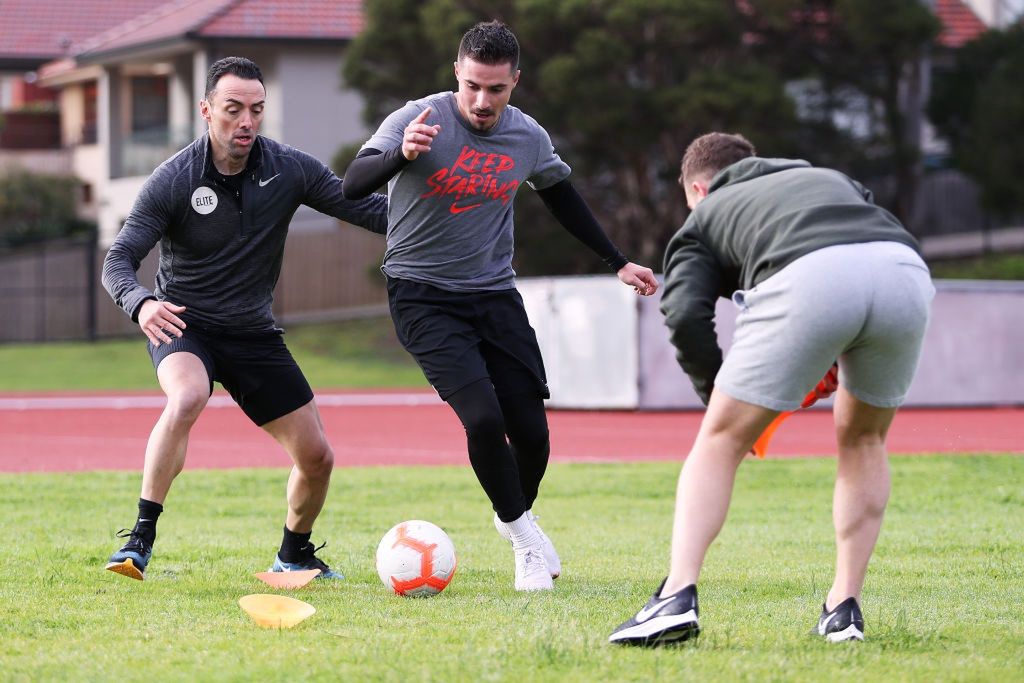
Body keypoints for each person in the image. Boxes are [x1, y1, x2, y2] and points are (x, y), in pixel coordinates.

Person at [342, 20, 659, 591]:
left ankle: (513, 515)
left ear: (515, 81)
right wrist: (401, 155)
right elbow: (353, 183)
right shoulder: (418, 119)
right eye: (472, 86)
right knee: (483, 418)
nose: (482, 101)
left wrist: (617, 261)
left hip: (493, 295)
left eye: (496, 89)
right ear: (456, 76)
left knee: (534, 435)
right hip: (421, 294)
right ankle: (524, 540)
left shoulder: (527, 137)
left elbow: (562, 197)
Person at [609, 133, 935, 645]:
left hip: (811, 275)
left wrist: (716, 394)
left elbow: (684, 312)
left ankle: (675, 597)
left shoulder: (707, 214)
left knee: (720, 441)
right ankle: (843, 609)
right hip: (904, 269)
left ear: (697, 188)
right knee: (864, 440)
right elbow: (855, 247)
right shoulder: (826, 177)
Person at [101, 56, 388, 581]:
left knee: (318, 457)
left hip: (254, 333)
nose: (246, 122)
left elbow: (368, 210)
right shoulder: (173, 180)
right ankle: (138, 541)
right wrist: (141, 303)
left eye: (256, 110)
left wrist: (441, 203)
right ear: (207, 110)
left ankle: (293, 555)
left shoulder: (290, 168)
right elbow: (116, 260)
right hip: (185, 325)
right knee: (188, 396)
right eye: (233, 109)